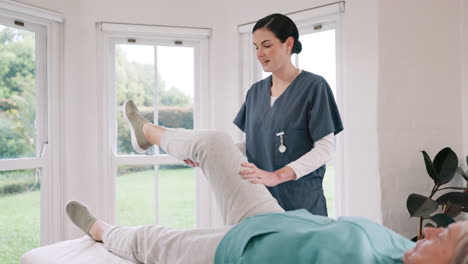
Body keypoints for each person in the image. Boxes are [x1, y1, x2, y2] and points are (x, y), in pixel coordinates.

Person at [65, 100, 467, 264]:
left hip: (238, 251)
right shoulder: (402, 250)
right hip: (272, 217)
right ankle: (149, 133)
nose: (429, 228)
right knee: (216, 143)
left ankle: (102, 231)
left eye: (440, 240)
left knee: (154, 241)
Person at [232, 13, 343, 216]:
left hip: (302, 204)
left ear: (288, 43)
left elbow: (325, 149)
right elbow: (253, 144)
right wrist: (210, 154)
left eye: (266, 45)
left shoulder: (314, 87)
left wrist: (277, 176)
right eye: (256, 47)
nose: (259, 53)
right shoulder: (255, 93)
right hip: (261, 202)